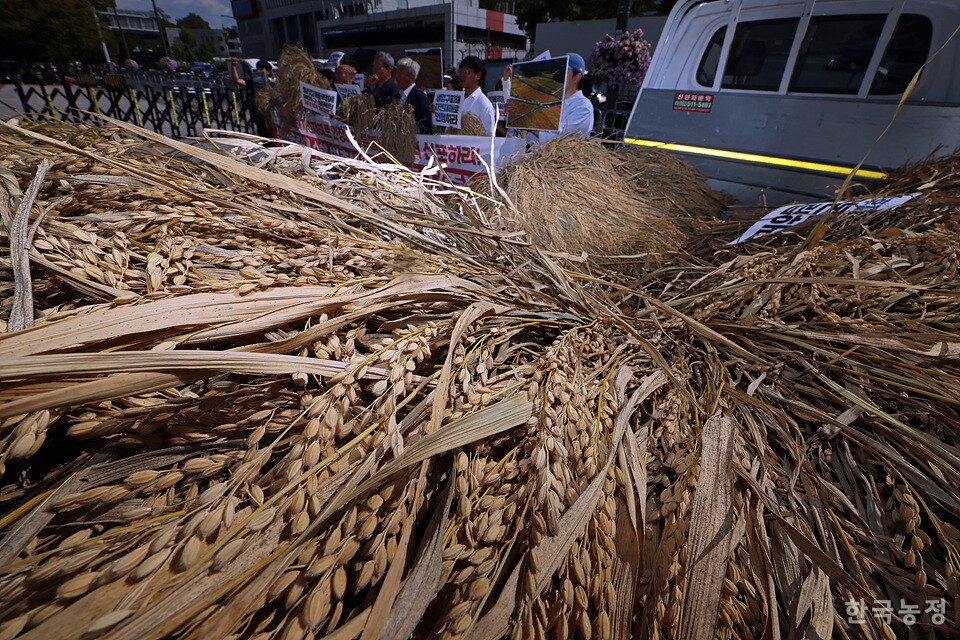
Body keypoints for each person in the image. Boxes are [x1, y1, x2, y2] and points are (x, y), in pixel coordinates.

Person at [534, 52, 594, 143]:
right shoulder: (551, 100)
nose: (559, 75)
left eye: (565, 71)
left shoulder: (583, 106)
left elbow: (560, 138)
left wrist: (530, 127)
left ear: (578, 77)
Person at [450, 56, 495, 136]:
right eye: (461, 72)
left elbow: (490, 138)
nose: (462, 76)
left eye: (466, 72)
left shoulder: (484, 105)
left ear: (478, 75)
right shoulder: (456, 100)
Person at [394, 57, 432, 134]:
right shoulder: (398, 95)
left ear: (411, 76)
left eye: (400, 73)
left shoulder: (419, 97)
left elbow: (424, 125)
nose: (397, 76)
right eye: (396, 73)